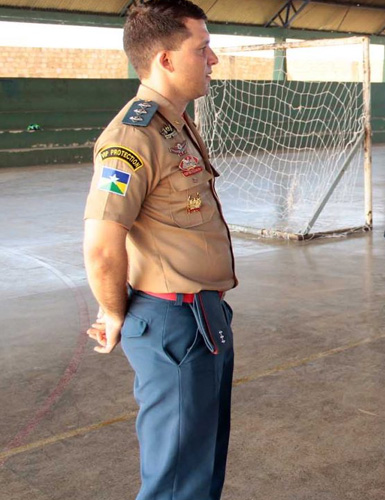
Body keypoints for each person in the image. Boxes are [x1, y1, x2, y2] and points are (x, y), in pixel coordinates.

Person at [82, 2, 236, 499]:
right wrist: (111, 311)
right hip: (173, 324)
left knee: (199, 470)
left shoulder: (174, 124)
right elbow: (103, 246)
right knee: (175, 481)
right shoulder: (132, 135)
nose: (212, 59)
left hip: (202, 317)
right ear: (166, 59)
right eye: (202, 47)